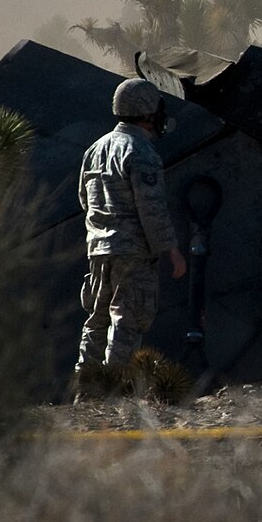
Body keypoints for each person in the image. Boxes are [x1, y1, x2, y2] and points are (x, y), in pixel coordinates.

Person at [75, 78, 185, 391]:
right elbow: (151, 209)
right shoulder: (142, 152)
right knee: (126, 323)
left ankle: (85, 392)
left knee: (96, 323)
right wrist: (171, 249)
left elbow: (84, 199)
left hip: (98, 250)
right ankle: (112, 395)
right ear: (148, 114)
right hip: (133, 254)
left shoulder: (95, 150)